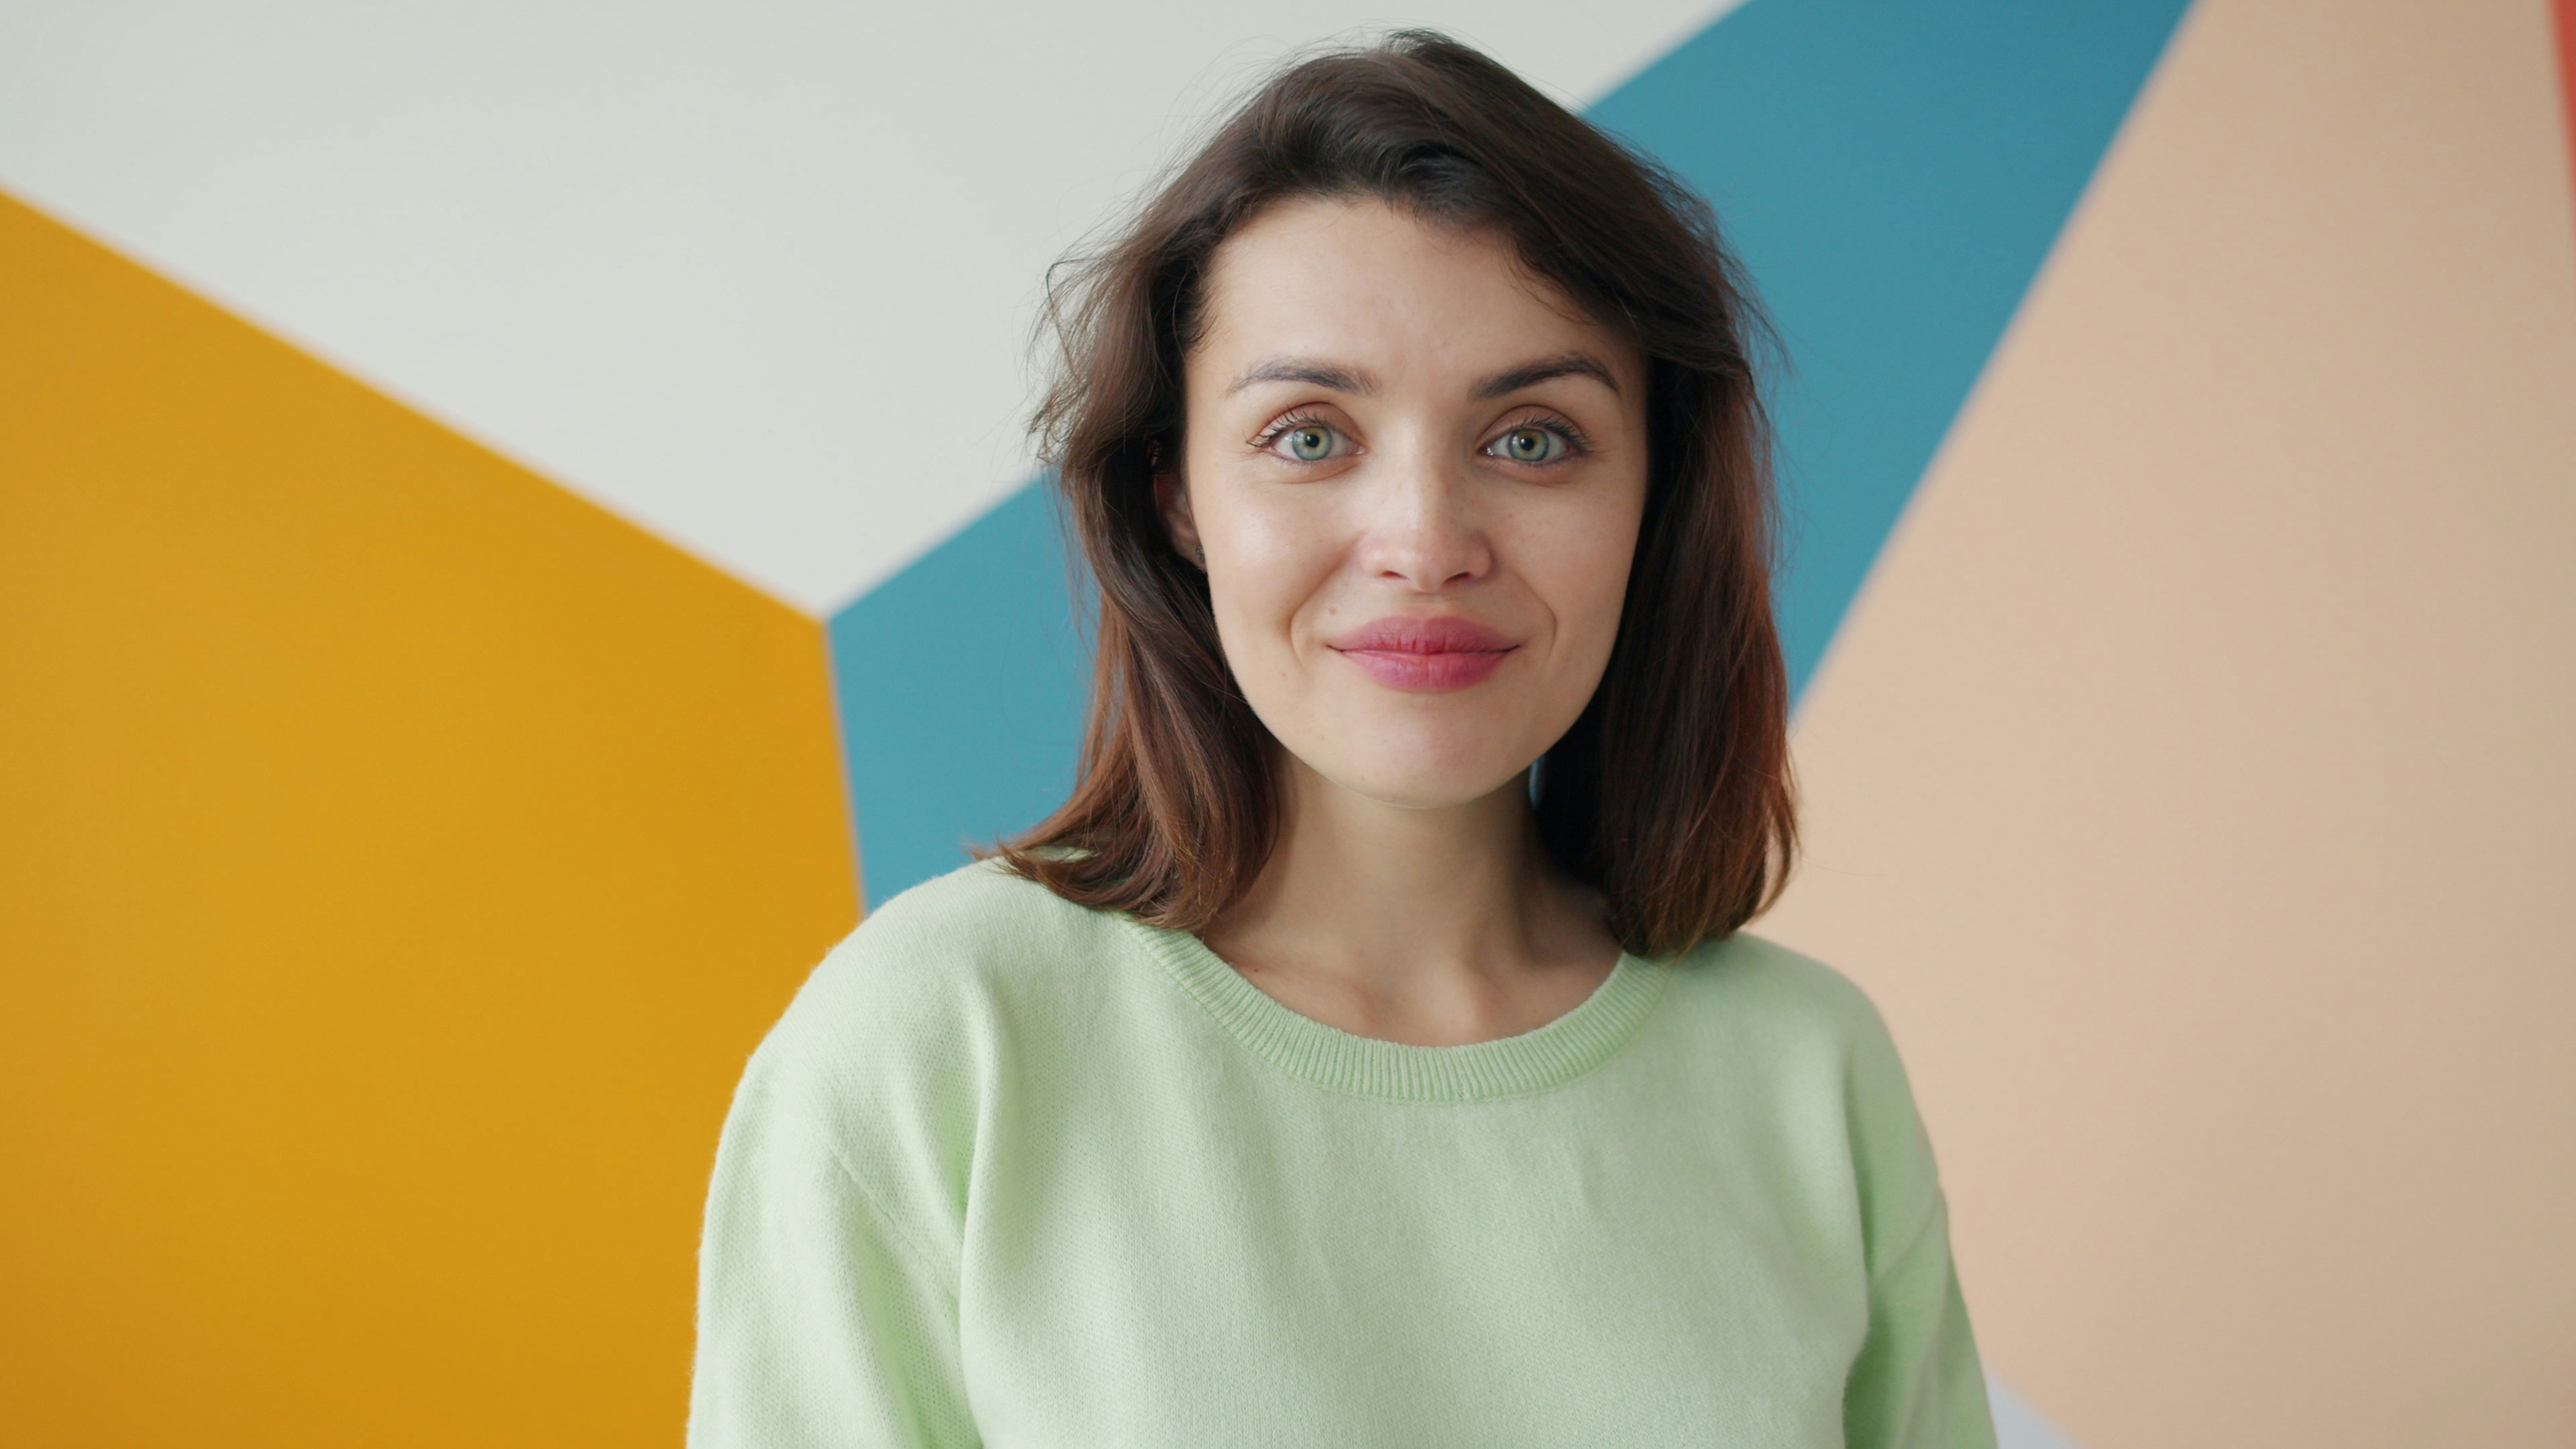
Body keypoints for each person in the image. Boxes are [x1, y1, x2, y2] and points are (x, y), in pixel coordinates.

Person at [688, 30, 1994, 1448]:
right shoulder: (938, 1047)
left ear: (1654, 496)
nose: (1427, 544)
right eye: (1310, 437)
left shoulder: (1810, 1074)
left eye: (1536, 438)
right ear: (1174, 496)